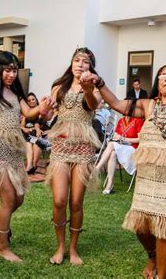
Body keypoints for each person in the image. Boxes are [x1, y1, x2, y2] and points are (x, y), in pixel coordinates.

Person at [81, 64, 166, 278]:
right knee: (141, 227)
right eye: (162, 76)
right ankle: (152, 256)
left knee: (165, 229)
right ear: (157, 83)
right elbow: (116, 104)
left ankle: (162, 276)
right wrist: (99, 82)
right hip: (148, 174)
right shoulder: (148, 105)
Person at [0, 51, 52, 263]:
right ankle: (3, 247)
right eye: (7, 70)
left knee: (19, 198)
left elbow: (30, 113)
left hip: (14, 151)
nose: (11, 74)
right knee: (8, 198)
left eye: (14, 70)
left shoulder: (15, 94)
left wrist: (41, 107)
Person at [41, 47, 102, 266]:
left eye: (85, 62)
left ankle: (74, 248)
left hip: (83, 147)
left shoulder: (95, 87)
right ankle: (60, 246)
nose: (80, 64)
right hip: (61, 146)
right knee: (59, 200)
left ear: (90, 66)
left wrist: (87, 89)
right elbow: (48, 115)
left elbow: (92, 106)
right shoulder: (59, 85)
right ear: (71, 63)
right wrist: (45, 108)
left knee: (76, 202)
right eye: (77, 60)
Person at [95, 115, 144, 194]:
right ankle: (110, 183)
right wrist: (116, 138)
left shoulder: (138, 120)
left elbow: (140, 139)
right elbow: (115, 135)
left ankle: (96, 169)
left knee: (111, 145)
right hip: (121, 146)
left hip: (133, 149)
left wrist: (124, 139)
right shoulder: (121, 120)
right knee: (113, 153)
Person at [21, 92, 41, 174]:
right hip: (28, 134)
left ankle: (33, 165)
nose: (31, 101)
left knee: (34, 141)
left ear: (36, 100)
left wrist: (33, 128)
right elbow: (21, 125)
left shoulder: (40, 110)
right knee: (28, 143)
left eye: (33, 99)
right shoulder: (27, 113)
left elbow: (38, 124)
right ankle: (29, 165)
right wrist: (24, 129)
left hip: (38, 133)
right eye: (29, 100)